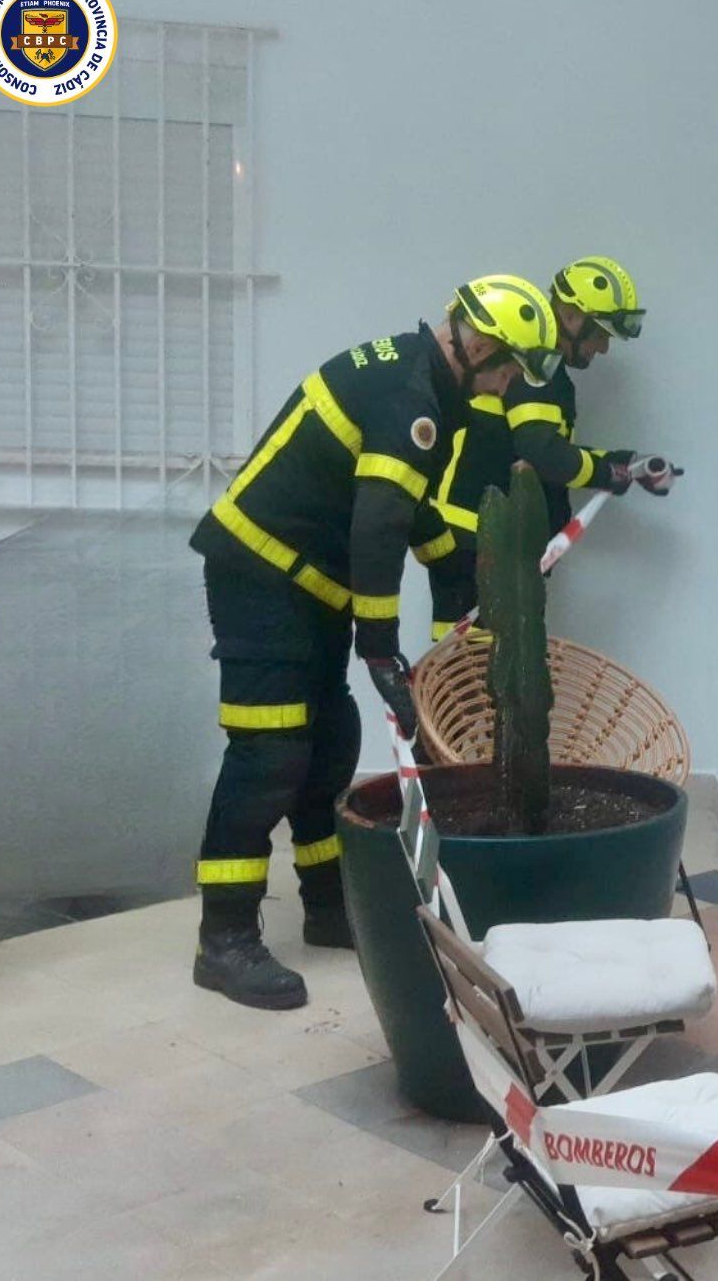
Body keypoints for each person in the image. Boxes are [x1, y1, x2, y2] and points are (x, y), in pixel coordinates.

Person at [188, 275, 561, 1009]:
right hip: (261, 578)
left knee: (329, 741)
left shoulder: (426, 385)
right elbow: (378, 528)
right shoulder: (412, 399)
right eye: (511, 366)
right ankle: (224, 938)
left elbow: (406, 507)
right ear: (482, 343)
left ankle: (327, 906)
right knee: (270, 754)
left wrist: (462, 569)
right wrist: (381, 646)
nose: (511, 383)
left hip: (304, 586)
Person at [421, 256, 671, 640]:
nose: (602, 347)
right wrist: (607, 472)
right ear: (571, 316)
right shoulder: (538, 368)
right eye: (599, 333)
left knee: (462, 664)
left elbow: (538, 446)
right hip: (482, 542)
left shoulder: (531, 360)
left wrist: (622, 463)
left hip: (472, 538)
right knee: (471, 672)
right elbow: (541, 450)